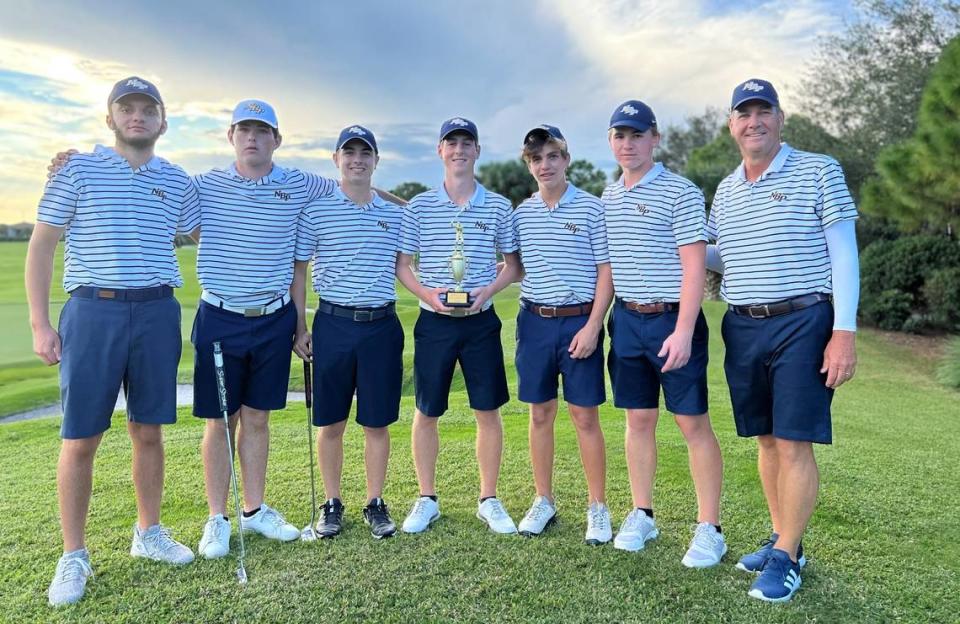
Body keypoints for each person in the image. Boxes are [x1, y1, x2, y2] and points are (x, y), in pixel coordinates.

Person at [26, 76, 198, 607]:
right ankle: (73, 554)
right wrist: (39, 322)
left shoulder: (179, 181)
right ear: (111, 118)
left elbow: (213, 222)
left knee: (148, 431)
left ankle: (148, 533)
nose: (138, 116)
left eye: (149, 109)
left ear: (163, 121)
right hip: (91, 311)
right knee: (80, 439)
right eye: (127, 108)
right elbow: (42, 246)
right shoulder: (76, 168)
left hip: (155, 310)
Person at [708, 79, 859, 602]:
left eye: (763, 111)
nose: (754, 122)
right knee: (766, 438)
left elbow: (844, 253)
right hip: (743, 323)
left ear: (779, 117)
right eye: (743, 113)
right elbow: (719, 258)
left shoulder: (819, 169)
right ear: (732, 125)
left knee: (793, 439)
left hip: (803, 320)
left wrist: (845, 331)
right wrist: (674, 243)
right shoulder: (726, 190)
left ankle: (789, 555)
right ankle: (781, 537)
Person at [190, 100, 338, 558]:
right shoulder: (203, 185)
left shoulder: (299, 182)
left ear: (277, 138)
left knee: (257, 418)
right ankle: (218, 517)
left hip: (274, 320)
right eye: (244, 130)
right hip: (219, 316)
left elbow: (355, 184)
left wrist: (424, 206)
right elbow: (151, 184)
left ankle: (253, 510)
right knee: (220, 420)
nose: (252, 137)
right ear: (230, 136)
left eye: (262, 130)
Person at [602, 101, 726, 567]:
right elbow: (608, 268)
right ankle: (642, 512)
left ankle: (710, 527)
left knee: (692, 423)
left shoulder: (681, 192)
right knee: (638, 421)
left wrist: (683, 329)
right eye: (619, 135)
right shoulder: (609, 198)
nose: (628, 144)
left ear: (655, 139)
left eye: (636, 135)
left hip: (674, 319)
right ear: (611, 141)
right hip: (627, 321)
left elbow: (695, 267)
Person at [396, 117, 522, 535]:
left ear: (477, 151)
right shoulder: (419, 206)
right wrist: (428, 295)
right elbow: (404, 266)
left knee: (487, 410)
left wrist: (487, 291)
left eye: (467, 143)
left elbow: (513, 266)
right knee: (426, 409)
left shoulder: (499, 206)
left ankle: (488, 497)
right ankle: (427, 497)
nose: (459, 150)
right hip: (435, 322)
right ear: (440, 151)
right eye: (451, 143)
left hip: (480, 320)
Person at [292, 125, 404, 539]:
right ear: (336, 159)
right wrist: (299, 326)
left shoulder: (394, 215)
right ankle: (332, 502)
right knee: (332, 422)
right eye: (349, 152)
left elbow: (410, 262)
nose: (357, 159)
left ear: (376, 161)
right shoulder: (316, 210)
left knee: (376, 423)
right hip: (333, 324)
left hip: (381, 326)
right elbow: (299, 271)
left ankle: (375, 502)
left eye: (365, 153)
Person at [508, 125, 614, 544]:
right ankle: (544, 499)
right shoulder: (522, 214)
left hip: (578, 322)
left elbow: (606, 272)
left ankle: (598, 507)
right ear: (529, 166)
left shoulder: (591, 209)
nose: (544, 165)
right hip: (534, 321)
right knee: (539, 414)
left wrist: (593, 326)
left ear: (566, 160)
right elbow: (513, 267)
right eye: (536, 159)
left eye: (552, 156)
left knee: (584, 416)